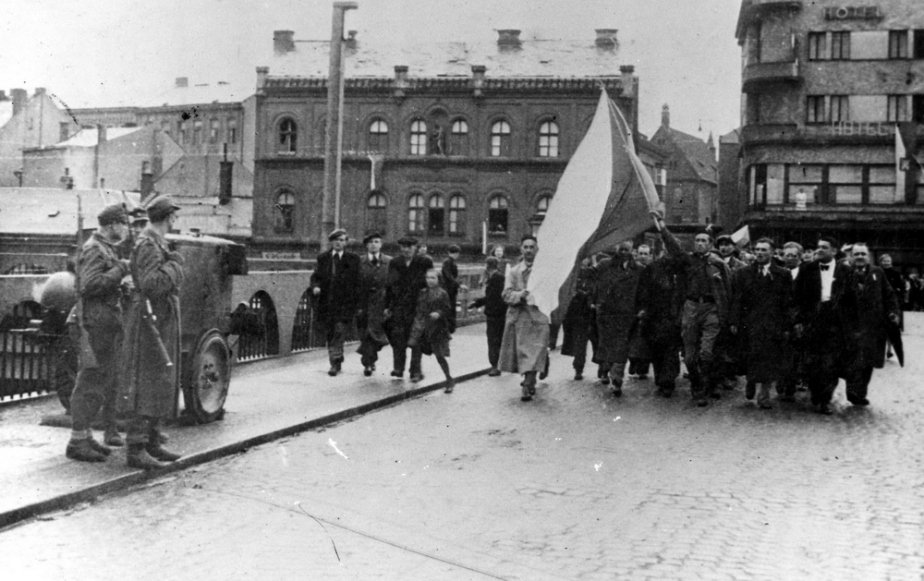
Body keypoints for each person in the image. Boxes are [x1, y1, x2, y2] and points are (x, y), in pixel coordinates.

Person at [120, 195, 184, 469]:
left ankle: (153, 442)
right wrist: (174, 266)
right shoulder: (148, 244)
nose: (175, 220)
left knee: (159, 379)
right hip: (149, 322)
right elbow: (149, 284)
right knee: (146, 381)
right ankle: (136, 448)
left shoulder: (156, 242)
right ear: (169, 217)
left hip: (159, 320)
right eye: (174, 216)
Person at [65, 204, 131, 462]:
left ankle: (85, 435)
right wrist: (121, 270)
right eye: (123, 224)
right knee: (89, 382)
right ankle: (77, 440)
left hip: (102, 323)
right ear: (113, 224)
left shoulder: (104, 248)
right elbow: (90, 285)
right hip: (93, 325)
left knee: (98, 381)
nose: (126, 229)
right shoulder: (94, 249)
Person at [657, 217, 732, 407]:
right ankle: (697, 382)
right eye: (697, 240)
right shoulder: (687, 261)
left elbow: (728, 290)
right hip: (690, 308)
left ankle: (701, 388)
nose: (700, 243)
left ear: (710, 244)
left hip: (711, 309)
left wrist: (727, 315)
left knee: (707, 353)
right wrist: (663, 228)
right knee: (690, 357)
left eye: (704, 241)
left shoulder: (718, 264)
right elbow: (674, 247)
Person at [793, 236, 857, 415]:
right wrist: (798, 320)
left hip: (836, 321)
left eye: (824, 247)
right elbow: (796, 297)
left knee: (831, 363)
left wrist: (852, 325)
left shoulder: (846, 271)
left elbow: (853, 301)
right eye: (818, 247)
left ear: (834, 251)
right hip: (813, 320)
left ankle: (825, 399)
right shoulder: (807, 269)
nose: (818, 250)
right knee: (812, 361)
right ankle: (816, 391)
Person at [729, 238, 794, 410]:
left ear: (772, 253)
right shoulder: (743, 273)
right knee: (751, 354)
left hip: (772, 324)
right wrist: (734, 320)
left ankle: (764, 395)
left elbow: (787, 303)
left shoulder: (783, 274)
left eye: (764, 250)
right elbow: (737, 299)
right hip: (749, 322)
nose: (759, 253)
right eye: (757, 249)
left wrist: (787, 326)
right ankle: (751, 380)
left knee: (769, 358)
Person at [844, 243, 901, 406]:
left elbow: (889, 294)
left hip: (873, 327)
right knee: (854, 361)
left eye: (863, 253)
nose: (860, 257)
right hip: (851, 326)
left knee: (869, 361)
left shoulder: (877, 272)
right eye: (856, 254)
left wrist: (893, 312)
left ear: (868, 256)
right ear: (851, 256)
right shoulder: (845, 273)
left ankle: (860, 393)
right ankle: (853, 392)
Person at [499, 235, 550, 401]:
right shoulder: (513, 272)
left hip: (538, 318)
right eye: (525, 247)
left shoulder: (544, 272)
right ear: (521, 249)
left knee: (534, 351)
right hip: (520, 318)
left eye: (532, 247)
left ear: (537, 250)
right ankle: (530, 380)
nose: (528, 250)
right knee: (524, 353)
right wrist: (520, 295)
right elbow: (506, 294)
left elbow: (551, 293)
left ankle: (527, 385)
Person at [591, 240, 644, 397]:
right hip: (606, 314)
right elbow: (591, 279)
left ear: (632, 250)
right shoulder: (604, 264)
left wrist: (641, 309)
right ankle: (606, 369)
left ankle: (617, 380)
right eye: (621, 249)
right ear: (616, 248)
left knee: (621, 347)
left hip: (627, 314)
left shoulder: (639, 269)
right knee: (607, 346)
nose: (623, 252)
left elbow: (643, 291)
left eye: (627, 249)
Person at [311, 229, 361, 376]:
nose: (339, 243)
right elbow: (316, 277)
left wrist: (356, 303)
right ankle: (336, 359)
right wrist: (316, 287)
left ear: (346, 242)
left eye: (342, 240)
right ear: (331, 242)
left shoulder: (353, 259)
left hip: (345, 304)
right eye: (336, 240)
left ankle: (335, 363)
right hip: (327, 303)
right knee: (331, 333)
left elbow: (358, 281)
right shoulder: (323, 258)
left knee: (339, 331)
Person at [635, 246, 683, 397]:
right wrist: (642, 308)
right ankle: (660, 378)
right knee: (657, 348)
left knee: (671, 349)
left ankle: (668, 381)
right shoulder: (652, 268)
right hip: (655, 314)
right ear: (663, 251)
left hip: (675, 314)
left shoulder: (681, 268)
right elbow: (643, 290)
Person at [385, 236, 433, 380]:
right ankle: (398, 368)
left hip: (418, 306)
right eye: (403, 247)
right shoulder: (395, 262)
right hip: (399, 306)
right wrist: (387, 306)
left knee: (416, 338)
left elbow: (432, 281)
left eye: (409, 247)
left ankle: (415, 371)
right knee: (398, 337)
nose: (406, 250)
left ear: (415, 248)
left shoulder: (424, 262)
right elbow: (389, 285)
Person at [409, 269, 454, 391]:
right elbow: (418, 308)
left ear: (438, 280)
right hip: (422, 327)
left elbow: (447, 309)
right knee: (416, 349)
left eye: (433, 278)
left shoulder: (442, 293)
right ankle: (416, 373)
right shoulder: (422, 292)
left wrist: (438, 313)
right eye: (428, 278)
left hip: (436, 328)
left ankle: (449, 380)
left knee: (439, 355)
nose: (430, 280)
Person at [356, 232, 392, 376]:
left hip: (381, 304)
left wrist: (390, 304)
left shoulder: (389, 261)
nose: (373, 244)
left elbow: (394, 284)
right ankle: (368, 363)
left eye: (376, 241)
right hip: (363, 304)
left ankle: (371, 360)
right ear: (366, 245)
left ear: (381, 244)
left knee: (376, 335)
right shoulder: (359, 262)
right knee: (365, 334)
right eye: (370, 242)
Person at [561, 256, 599, 380]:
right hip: (579, 314)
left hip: (592, 314)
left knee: (596, 342)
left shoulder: (593, 272)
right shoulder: (572, 273)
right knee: (580, 343)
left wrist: (588, 295)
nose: (584, 261)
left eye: (585, 258)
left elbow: (596, 289)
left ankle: (601, 366)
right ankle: (578, 368)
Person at [469, 256, 506, 376]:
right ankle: (499, 364)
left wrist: (477, 302)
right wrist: (477, 303)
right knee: (498, 340)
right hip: (499, 314)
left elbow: (492, 297)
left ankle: (495, 366)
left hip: (495, 314)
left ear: (487, 266)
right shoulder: (497, 277)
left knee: (493, 340)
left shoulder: (496, 278)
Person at [780, 241, 806, 399]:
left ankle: (791, 384)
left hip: (799, 320)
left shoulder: (806, 274)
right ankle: (783, 380)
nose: (789, 258)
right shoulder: (778, 273)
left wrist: (801, 319)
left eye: (793, 255)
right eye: (787, 255)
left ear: (800, 257)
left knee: (796, 353)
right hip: (781, 319)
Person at [627, 244, 653, 378]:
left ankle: (642, 368)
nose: (643, 256)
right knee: (631, 338)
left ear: (650, 256)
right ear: (636, 255)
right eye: (641, 254)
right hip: (630, 308)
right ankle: (633, 360)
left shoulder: (651, 270)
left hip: (645, 308)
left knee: (644, 340)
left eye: (646, 254)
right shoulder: (631, 269)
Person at [441, 244, 462, 332]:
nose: (456, 255)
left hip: (451, 288)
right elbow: (448, 275)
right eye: (455, 253)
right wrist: (458, 284)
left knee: (451, 306)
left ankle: (450, 326)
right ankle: (449, 327)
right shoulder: (448, 262)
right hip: (448, 288)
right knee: (449, 307)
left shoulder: (450, 261)